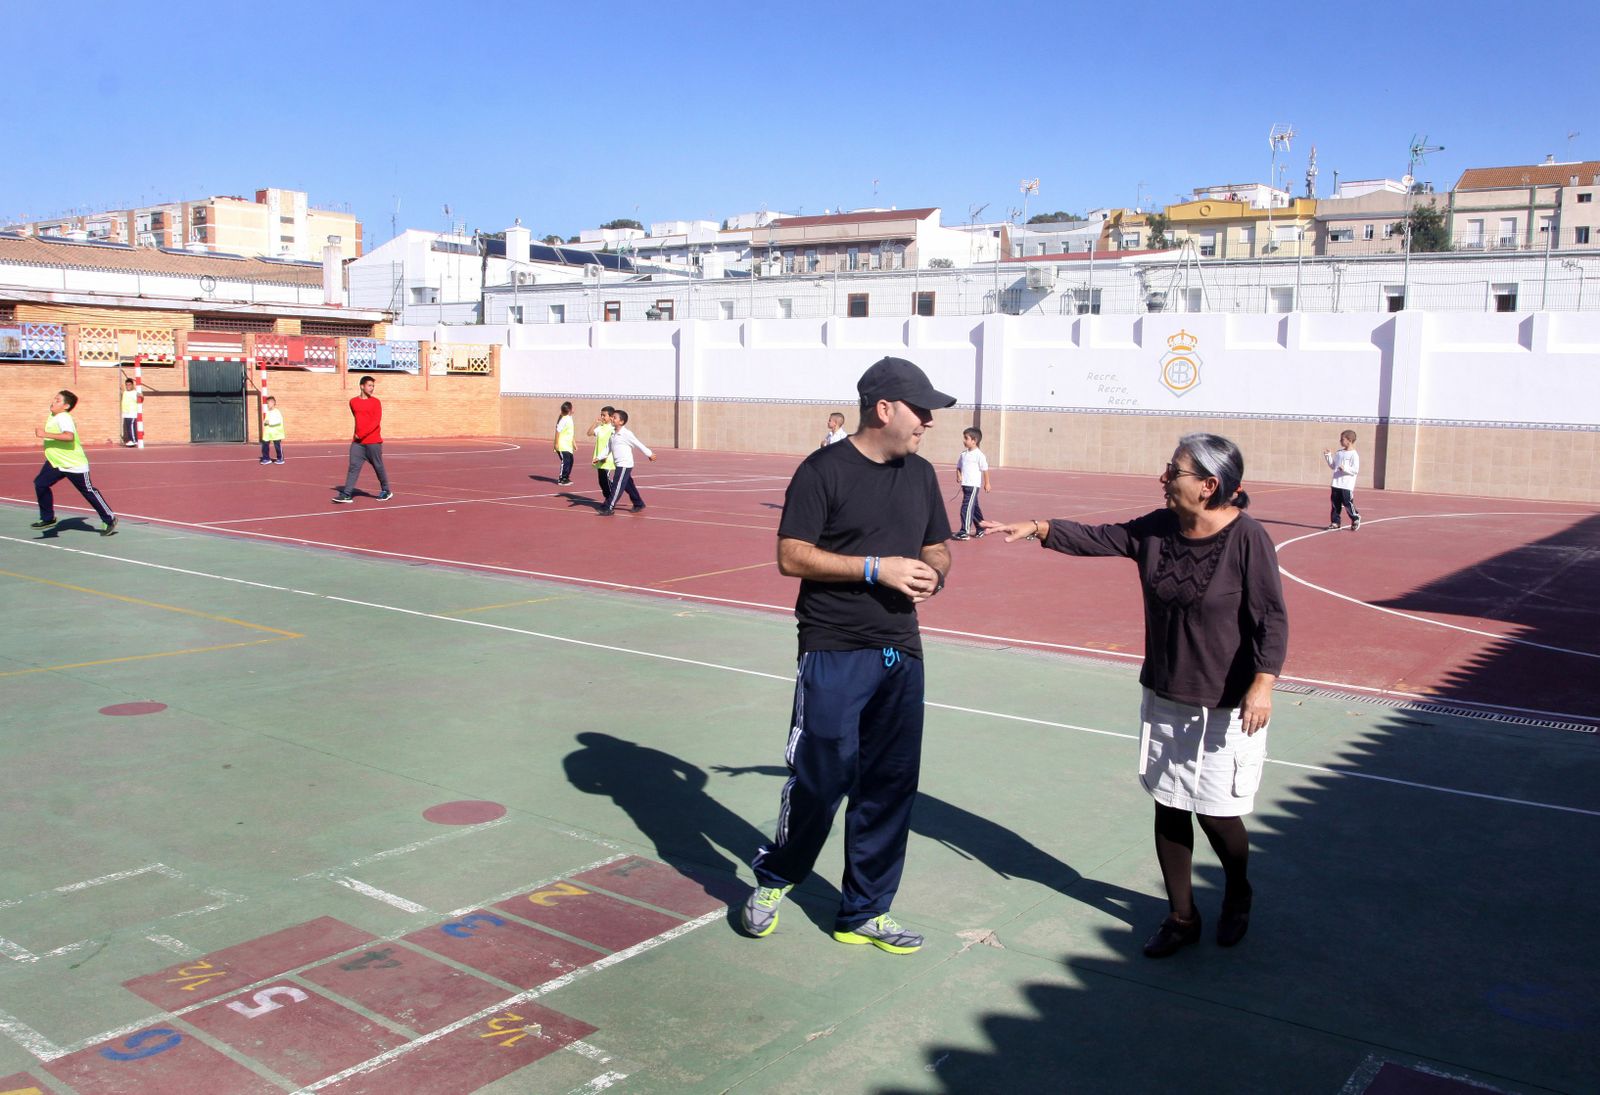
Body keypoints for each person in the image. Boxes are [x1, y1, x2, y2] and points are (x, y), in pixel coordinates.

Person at [984, 433, 1287, 957]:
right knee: (1169, 804)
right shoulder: (1158, 528)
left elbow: (1270, 616)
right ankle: (1181, 916)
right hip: (1167, 689)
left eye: (1175, 472)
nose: (1164, 479)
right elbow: (1102, 537)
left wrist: (1263, 683)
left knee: (1215, 811)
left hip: (1227, 701)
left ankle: (1238, 889)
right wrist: (1039, 528)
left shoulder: (1247, 538)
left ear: (1210, 485)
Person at [741, 355, 955, 955]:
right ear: (883, 409)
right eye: (922, 410)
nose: (929, 423)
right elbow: (791, 555)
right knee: (820, 775)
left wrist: (931, 573)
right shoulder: (822, 471)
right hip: (834, 646)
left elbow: (937, 545)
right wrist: (874, 568)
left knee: (889, 783)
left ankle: (864, 909)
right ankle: (778, 875)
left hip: (901, 649)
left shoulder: (920, 475)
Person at [32, 389, 117, 536]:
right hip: (56, 462)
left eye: (58, 400)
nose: (53, 402)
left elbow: (69, 437)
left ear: (66, 406)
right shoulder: (53, 415)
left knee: (88, 491)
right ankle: (48, 518)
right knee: (40, 483)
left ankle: (109, 518)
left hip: (73, 463)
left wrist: (44, 434)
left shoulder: (64, 417)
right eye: (54, 398)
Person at [332, 375, 392, 504]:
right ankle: (347, 494)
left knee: (378, 466)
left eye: (373, 386)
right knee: (353, 467)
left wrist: (362, 434)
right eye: (369, 385)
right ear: (362, 386)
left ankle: (386, 490)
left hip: (373, 442)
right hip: (358, 444)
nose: (372, 388)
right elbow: (358, 418)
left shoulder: (376, 402)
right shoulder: (353, 402)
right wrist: (358, 436)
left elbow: (376, 422)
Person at [600, 408, 655, 515]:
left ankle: (609, 507)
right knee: (627, 485)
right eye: (612, 417)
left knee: (617, 485)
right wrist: (600, 457)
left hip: (625, 464)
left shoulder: (626, 433)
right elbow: (608, 448)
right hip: (619, 464)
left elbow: (638, 443)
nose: (612, 419)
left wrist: (649, 454)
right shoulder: (613, 434)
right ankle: (638, 503)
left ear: (621, 422)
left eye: (614, 417)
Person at [952, 426, 991, 541]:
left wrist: (987, 483)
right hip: (965, 485)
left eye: (966, 438)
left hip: (973, 486)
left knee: (966, 508)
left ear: (974, 441)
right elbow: (958, 466)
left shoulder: (979, 455)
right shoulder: (963, 454)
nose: (964, 441)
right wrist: (958, 475)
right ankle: (981, 528)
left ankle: (965, 531)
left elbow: (985, 469)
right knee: (973, 507)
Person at [1324, 429, 1360, 531]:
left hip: (1346, 485)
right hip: (1336, 483)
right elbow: (1333, 466)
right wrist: (1328, 456)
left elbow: (1355, 470)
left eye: (1342, 439)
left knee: (1347, 503)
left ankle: (1355, 518)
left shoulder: (1354, 455)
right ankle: (1335, 522)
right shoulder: (1339, 453)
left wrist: (1345, 469)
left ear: (1349, 440)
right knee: (1335, 504)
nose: (1340, 441)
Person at [587, 405, 616, 500]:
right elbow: (589, 433)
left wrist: (606, 456)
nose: (602, 417)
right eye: (601, 415)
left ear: (611, 417)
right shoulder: (600, 427)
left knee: (604, 480)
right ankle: (611, 495)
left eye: (604, 415)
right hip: (599, 457)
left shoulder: (613, 429)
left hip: (608, 458)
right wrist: (595, 423)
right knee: (602, 481)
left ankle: (610, 499)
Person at [554, 401, 576, 485]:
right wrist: (556, 444)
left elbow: (570, 432)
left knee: (570, 461)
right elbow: (558, 431)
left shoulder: (569, 418)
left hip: (568, 445)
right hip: (562, 445)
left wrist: (573, 442)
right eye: (572, 408)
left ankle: (566, 477)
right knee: (565, 461)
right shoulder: (564, 419)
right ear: (570, 410)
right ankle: (562, 479)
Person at [259, 395, 285, 465]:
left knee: (277, 446)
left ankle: (280, 458)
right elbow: (266, 421)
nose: (268, 404)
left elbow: (277, 421)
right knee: (265, 445)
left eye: (269, 403)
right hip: (268, 433)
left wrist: (269, 423)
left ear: (273, 403)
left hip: (276, 433)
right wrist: (265, 422)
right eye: (267, 403)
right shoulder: (268, 412)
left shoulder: (277, 412)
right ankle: (266, 458)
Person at [120, 377, 139, 447]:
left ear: (132, 385)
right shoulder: (125, 393)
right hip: (126, 413)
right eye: (127, 385)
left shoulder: (135, 392)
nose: (128, 386)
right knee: (128, 428)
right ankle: (131, 440)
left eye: (129, 385)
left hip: (132, 413)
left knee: (131, 427)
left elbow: (140, 397)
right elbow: (122, 390)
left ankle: (134, 441)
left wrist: (141, 395)